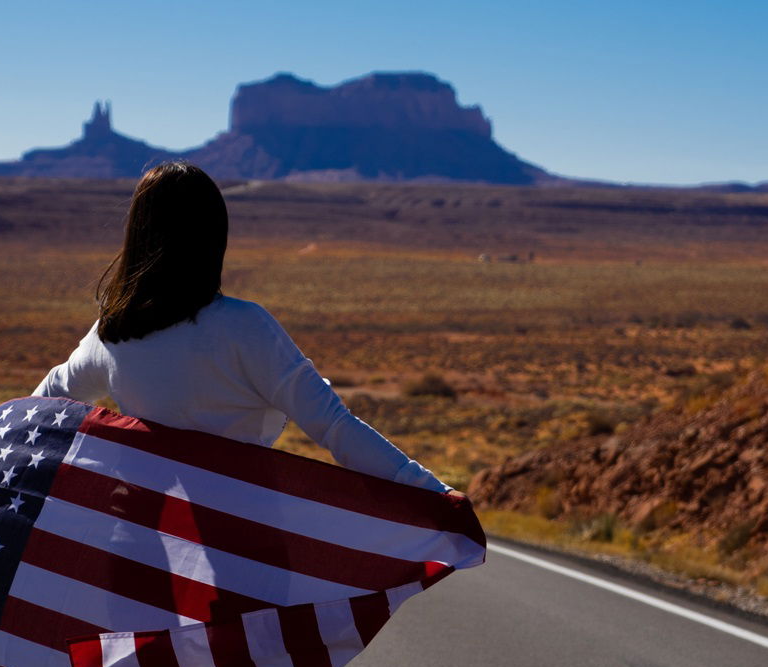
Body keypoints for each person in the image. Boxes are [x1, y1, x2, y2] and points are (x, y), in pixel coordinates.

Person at [33, 161, 454, 494]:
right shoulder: (245, 327)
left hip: (143, 538)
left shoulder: (113, 331)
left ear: (138, 235)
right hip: (237, 542)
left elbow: (43, 403)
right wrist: (431, 492)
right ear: (213, 238)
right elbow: (335, 427)